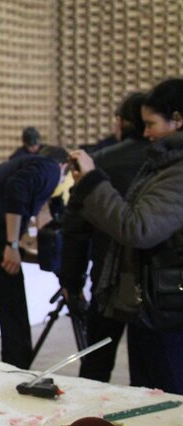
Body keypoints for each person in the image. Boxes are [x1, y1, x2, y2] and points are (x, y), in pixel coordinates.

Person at [68, 77, 183, 395]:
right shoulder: (164, 163)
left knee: (161, 398)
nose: (145, 133)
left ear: (177, 119)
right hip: (154, 301)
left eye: (151, 124)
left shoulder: (177, 170)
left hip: (166, 308)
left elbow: (138, 228)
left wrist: (92, 181)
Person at [58, 91, 149, 382]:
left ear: (120, 122)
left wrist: (71, 282)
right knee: (153, 374)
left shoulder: (98, 163)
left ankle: (91, 412)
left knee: (96, 366)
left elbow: (75, 230)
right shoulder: (168, 164)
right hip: (157, 286)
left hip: (107, 280)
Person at [0, 146, 69, 369]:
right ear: (63, 166)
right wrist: (12, 244)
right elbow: (17, 188)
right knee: (13, 318)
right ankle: (15, 375)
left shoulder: (16, 165)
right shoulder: (49, 167)